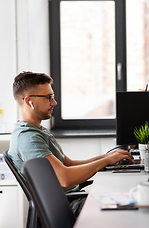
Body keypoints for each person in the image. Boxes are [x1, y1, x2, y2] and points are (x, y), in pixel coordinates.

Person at [8, 71, 134, 216]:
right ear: (29, 101)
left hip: (72, 200)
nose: (54, 102)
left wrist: (107, 158)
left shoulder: (38, 131)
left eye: (53, 97)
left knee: (127, 197)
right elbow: (65, 178)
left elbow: (69, 164)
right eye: (49, 97)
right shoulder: (28, 138)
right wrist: (106, 160)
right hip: (66, 207)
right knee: (128, 206)